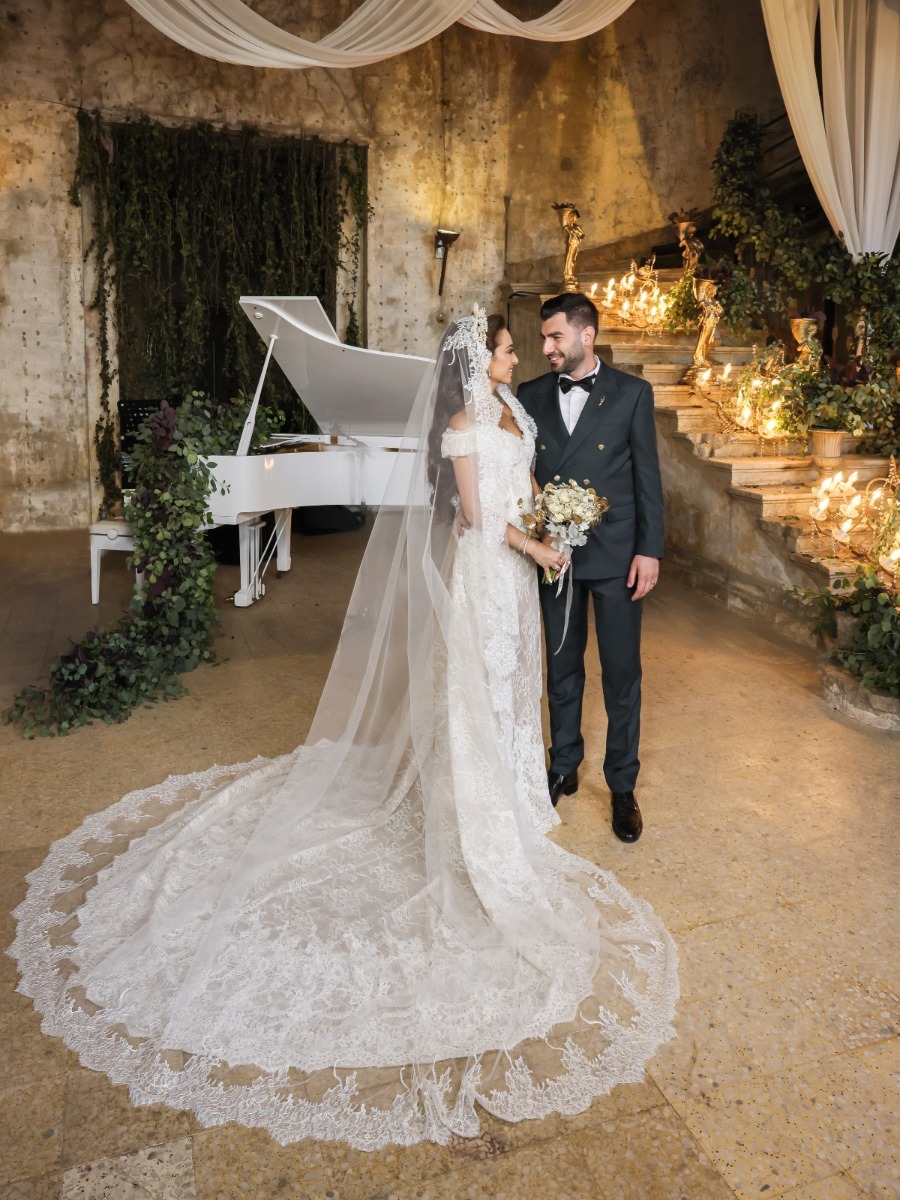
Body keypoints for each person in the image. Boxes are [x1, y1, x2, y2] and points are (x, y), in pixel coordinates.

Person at [10, 308, 676, 1152]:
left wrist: (561, 524)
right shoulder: (480, 417)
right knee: (499, 685)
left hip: (547, 565)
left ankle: (576, 783)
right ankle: (505, 791)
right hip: (495, 567)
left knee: (534, 685)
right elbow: (474, 516)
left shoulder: (522, 410)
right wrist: (538, 546)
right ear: (491, 360)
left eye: (541, 343)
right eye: (517, 346)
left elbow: (573, 480)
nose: (532, 355)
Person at [518, 292, 664, 842]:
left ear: (587, 336)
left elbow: (648, 479)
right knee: (561, 667)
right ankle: (563, 764)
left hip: (618, 556)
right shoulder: (529, 395)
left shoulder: (632, 393)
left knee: (622, 673)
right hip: (556, 557)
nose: (547, 348)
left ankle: (622, 785)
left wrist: (649, 550)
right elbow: (520, 475)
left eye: (556, 337)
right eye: (543, 339)